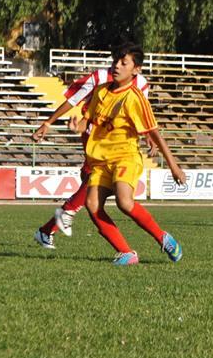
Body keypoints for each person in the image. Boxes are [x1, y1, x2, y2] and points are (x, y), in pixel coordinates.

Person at [79, 41, 186, 265]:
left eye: (123, 63)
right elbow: (86, 121)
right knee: (92, 205)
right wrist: (77, 125)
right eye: (115, 61)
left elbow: (155, 133)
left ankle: (163, 238)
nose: (116, 66)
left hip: (125, 157)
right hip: (100, 161)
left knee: (124, 201)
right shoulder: (100, 91)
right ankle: (127, 253)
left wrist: (174, 166)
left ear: (136, 70)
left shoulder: (135, 98)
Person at [30, 62, 151, 249]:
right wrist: (48, 123)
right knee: (95, 177)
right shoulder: (99, 77)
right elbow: (73, 100)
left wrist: (148, 134)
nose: (119, 64)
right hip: (94, 133)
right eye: (118, 59)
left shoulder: (141, 83)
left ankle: (50, 227)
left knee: (96, 181)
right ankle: (64, 215)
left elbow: (141, 112)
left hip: (119, 140)